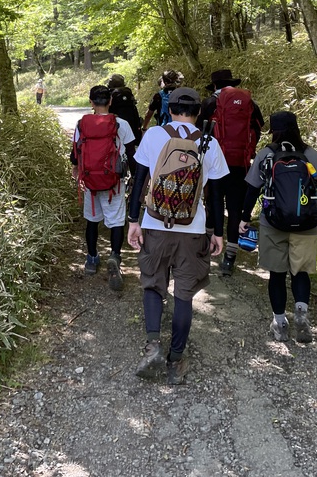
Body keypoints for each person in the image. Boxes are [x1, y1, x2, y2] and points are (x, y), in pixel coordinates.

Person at [127, 87, 229, 384]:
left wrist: (133, 221)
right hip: (193, 228)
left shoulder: (153, 135)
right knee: (184, 293)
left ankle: (152, 346)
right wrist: (217, 232)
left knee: (152, 283)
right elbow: (217, 195)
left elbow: (139, 180)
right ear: (199, 113)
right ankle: (176, 359)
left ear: (169, 110)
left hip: (155, 223)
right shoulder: (210, 142)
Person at [238, 111, 317, 344]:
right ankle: (301, 314)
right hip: (306, 223)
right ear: (296, 128)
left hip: (272, 222)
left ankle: (280, 324)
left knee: (277, 274)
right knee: (300, 271)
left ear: (273, 131)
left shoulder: (266, 154)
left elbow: (252, 190)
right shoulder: (311, 155)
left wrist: (244, 218)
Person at [197, 68, 264, 277]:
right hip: (240, 164)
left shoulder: (210, 103)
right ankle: (230, 257)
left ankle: (207, 247)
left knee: (213, 203)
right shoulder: (250, 104)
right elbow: (259, 128)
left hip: (215, 163)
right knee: (235, 209)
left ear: (215, 85)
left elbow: (199, 131)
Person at [72, 85, 136, 290]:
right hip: (114, 182)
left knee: (92, 220)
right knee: (116, 221)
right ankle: (115, 256)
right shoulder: (121, 124)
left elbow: (75, 153)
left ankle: (91, 259)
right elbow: (131, 153)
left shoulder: (82, 124)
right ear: (110, 101)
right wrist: (135, 178)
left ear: (91, 102)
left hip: (90, 181)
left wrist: (77, 171)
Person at [106, 73, 143, 148]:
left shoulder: (110, 95)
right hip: (131, 127)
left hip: (115, 127)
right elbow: (134, 110)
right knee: (130, 149)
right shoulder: (128, 93)